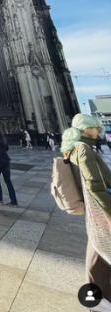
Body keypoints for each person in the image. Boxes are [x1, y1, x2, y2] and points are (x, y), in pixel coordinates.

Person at [61, 113, 111, 305]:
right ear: (86, 129)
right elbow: (94, 185)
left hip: (93, 211)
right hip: (99, 209)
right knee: (100, 252)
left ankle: (97, 300)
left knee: (98, 251)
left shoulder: (73, 148)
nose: (99, 130)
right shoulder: (83, 148)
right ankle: (99, 301)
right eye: (96, 127)